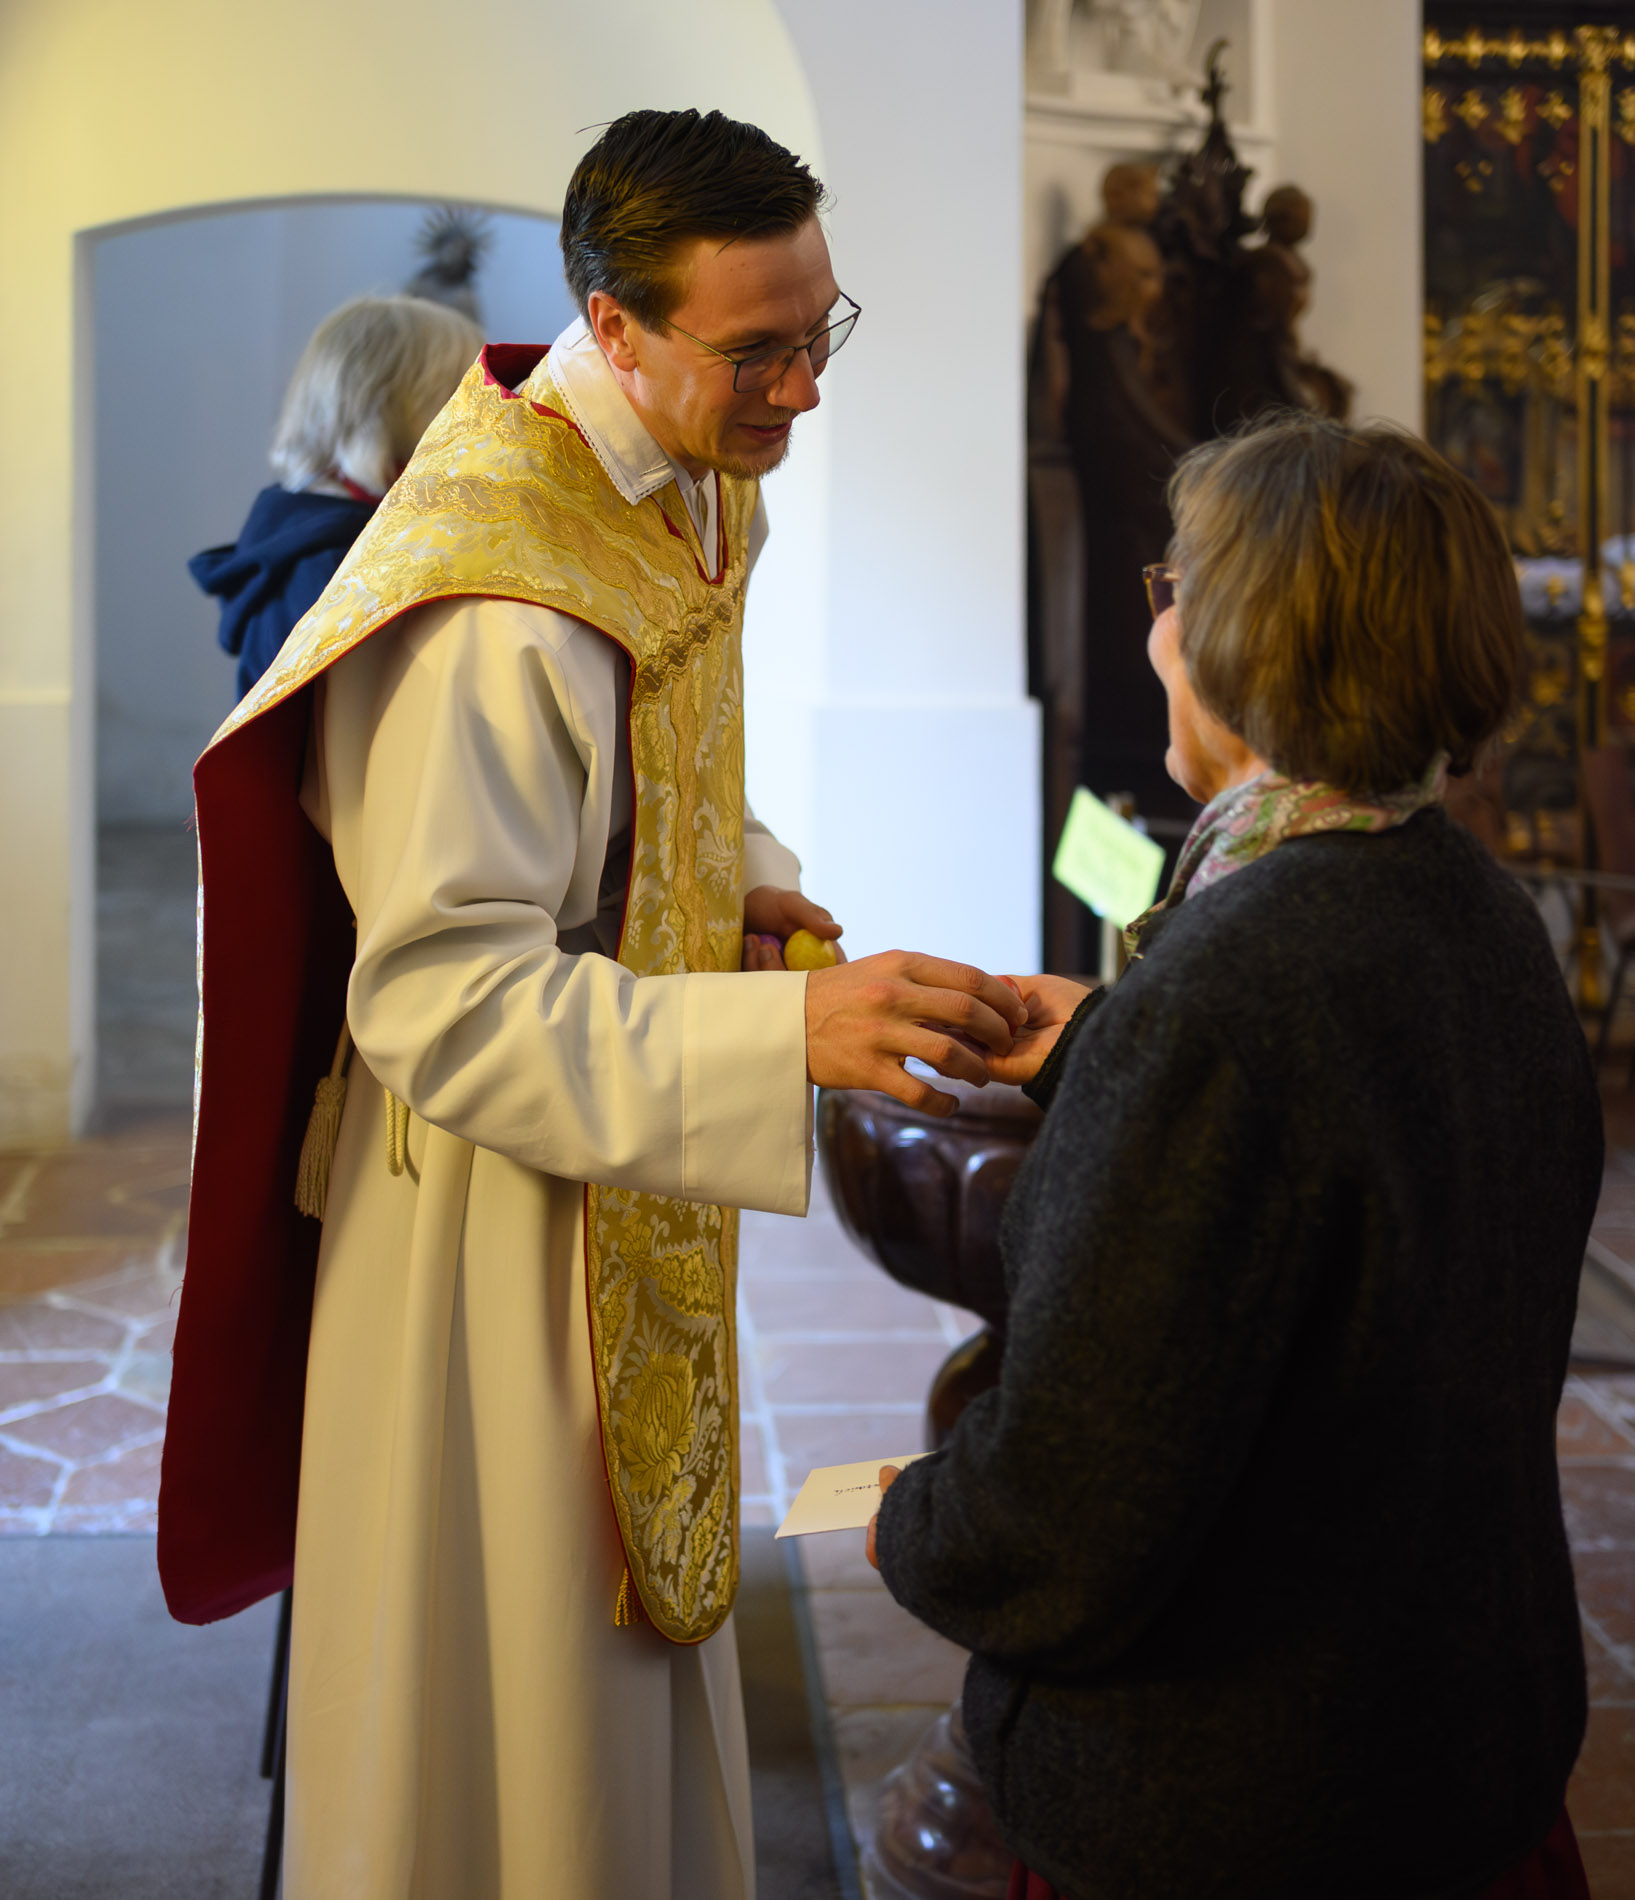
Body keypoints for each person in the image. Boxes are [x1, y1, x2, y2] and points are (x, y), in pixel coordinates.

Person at [158, 107, 1025, 1900]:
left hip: (625, 1166)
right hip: (485, 1241)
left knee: (631, 1694)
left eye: (822, 330)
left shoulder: (694, 482)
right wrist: (784, 1031)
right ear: (613, 325)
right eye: (758, 349)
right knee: (518, 1730)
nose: (802, 388)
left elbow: (676, 770)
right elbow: (439, 1001)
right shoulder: (497, 594)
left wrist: (744, 882)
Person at [869, 414, 1602, 1900]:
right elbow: (1348, 1181)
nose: (1152, 639)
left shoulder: (1226, 993)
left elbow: (1066, 1512)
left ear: (1246, 646)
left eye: (1172, 593)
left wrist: (906, 1515)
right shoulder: (1470, 905)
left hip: (1244, 1798)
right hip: (1455, 1740)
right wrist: (1110, 1045)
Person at [189, 294, 482, 699]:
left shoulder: (303, 533)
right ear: (389, 408)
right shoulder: (334, 571)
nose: (484, 417)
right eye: (463, 394)